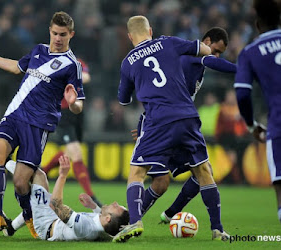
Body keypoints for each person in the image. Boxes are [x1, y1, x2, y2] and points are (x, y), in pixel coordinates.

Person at [113, 16, 229, 242]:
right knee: (204, 170)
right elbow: (201, 48)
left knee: (137, 172)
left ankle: (135, 222)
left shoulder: (128, 62)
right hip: (187, 115)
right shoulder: (167, 42)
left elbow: (124, 100)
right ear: (151, 30)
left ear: (129, 37)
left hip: (158, 120)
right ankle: (217, 230)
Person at [0, 11, 84, 238]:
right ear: (50, 31)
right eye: (55, 33)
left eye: (63, 35)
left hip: (38, 124)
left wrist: (72, 103)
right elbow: (15, 67)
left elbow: (79, 104)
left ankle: (29, 216)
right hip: (14, 114)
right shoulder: (38, 50)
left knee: (21, 183)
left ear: (71, 34)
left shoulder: (72, 65)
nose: (58, 38)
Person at [134, 28, 236, 223]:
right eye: (215, 50)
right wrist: (246, 70)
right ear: (206, 41)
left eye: (219, 53)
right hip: (162, 123)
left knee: (203, 173)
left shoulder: (185, 56)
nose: (215, 55)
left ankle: (170, 214)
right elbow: (215, 62)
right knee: (161, 182)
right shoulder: (193, 54)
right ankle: (130, 220)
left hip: (173, 121)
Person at [3, 156, 129, 241]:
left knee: (38, 175)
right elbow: (113, 229)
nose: (115, 203)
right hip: (55, 220)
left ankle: (4, 161)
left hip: (45, 223)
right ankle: (11, 228)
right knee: (38, 198)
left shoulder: (85, 226)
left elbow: (55, 205)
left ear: (108, 218)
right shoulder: (106, 229)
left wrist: (63, 175)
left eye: (117, 207)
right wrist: (93, 206)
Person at [234, 0, 281, 222]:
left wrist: (252, 125)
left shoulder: (250, 52)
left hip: (278, 125)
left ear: (257, 24)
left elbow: (242, 93)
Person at [42, 58, 102, 207]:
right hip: (63, 113)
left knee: (68, 153)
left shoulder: (77, 62)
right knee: (76, 153)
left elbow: (87, 77)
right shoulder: (53, 64)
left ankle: (41, 173)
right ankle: (91, 196)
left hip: (78, 112)